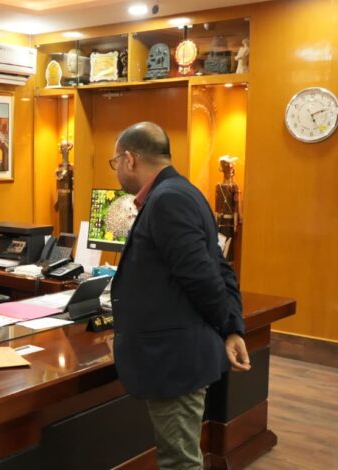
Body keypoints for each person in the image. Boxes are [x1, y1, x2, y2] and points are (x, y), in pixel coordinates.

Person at [108, 122, 250, 470]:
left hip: (173, 358)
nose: (117, 171)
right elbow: (220, 266)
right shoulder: (184, 191)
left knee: (179, 462)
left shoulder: (167, 200)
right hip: (178, 354)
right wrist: (232, 326)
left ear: (130, 159)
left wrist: (229, 327)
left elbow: (203, 276)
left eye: (115, 162)